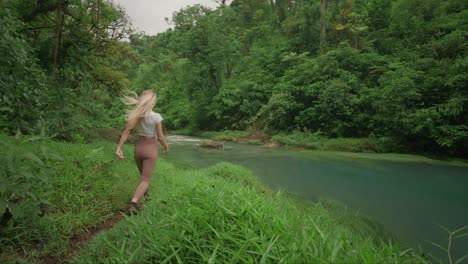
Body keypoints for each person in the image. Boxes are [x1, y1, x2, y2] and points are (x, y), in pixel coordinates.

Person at [115, 90, 169, 215]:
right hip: (150, 148)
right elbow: (160, 137)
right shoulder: (156, 117)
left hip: (138, 148)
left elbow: (127, 131)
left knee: (144, 177)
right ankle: (133, 204)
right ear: (152, 102)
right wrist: (166, 147)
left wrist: (119, 147)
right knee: (145, 179)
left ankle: (148, 198)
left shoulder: (136, 115)